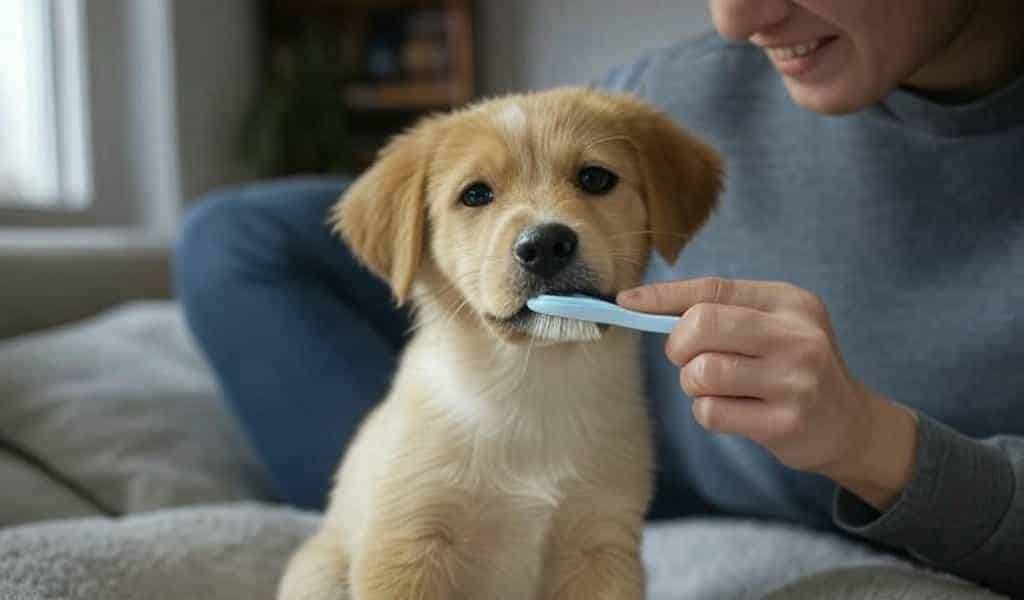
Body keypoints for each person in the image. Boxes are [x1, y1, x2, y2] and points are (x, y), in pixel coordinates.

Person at [174, 0, 1024, 595]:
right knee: (234, 240)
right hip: (585, 435)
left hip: (701, 488)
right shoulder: (687, 87)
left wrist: (873, 443)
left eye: (593, 181)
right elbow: (487, 172)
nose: (735, 17)